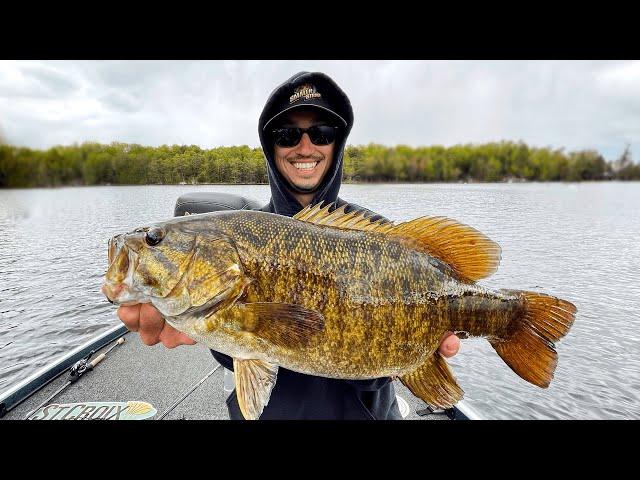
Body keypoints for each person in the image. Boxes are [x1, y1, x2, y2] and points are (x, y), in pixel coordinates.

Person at [117, 71, 460, 419]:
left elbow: (373, 370)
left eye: (322, 133)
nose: (305, 146)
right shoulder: (243, 232)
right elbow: (242, 345)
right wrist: (196, 326)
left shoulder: (378, 238)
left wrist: (396, 355)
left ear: (337, 144)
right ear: (271, 147)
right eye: (287, 134)